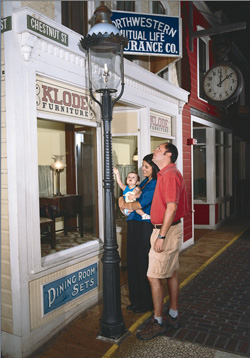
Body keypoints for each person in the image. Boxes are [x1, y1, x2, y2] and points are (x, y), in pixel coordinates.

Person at [137, 143, 188, 340]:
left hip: (165, 232)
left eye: (158, 149)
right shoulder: (167, 173)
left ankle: (158, 322)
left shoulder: (169, 175)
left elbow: (171, 207)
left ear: (167, 154)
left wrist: (161, 236)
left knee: (153, 276)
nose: (154, 151)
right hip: (170, 230)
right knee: (171, 273)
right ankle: (173, 315)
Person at [118, 154, 159, 313]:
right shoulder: (143, 182)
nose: (143, 168)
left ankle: (146, 302)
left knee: (143, 263)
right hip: (133, 223)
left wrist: (124, 203)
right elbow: (124, 196)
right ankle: (135, 300)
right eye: (143, 166)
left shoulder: (154, 183)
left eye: (146, 166)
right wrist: (124, 203)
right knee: (133, 262)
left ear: (153, 167)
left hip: (144, 226)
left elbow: (141, 203)